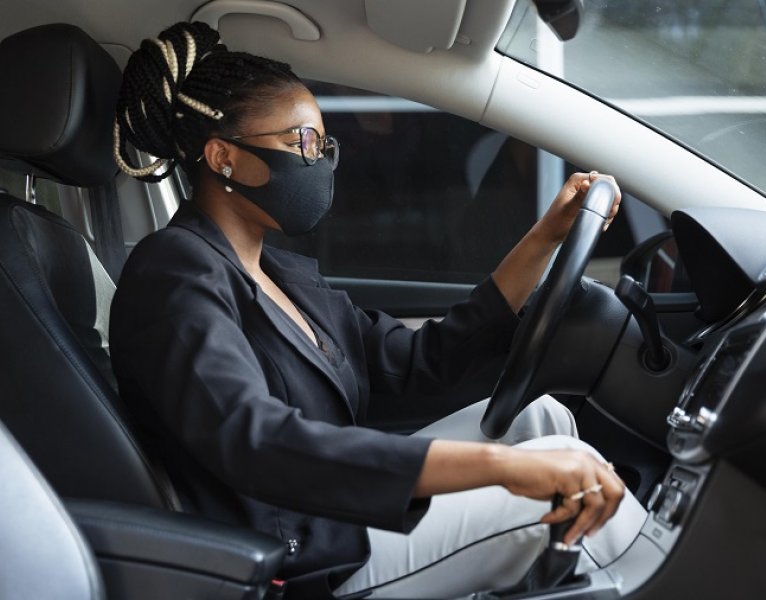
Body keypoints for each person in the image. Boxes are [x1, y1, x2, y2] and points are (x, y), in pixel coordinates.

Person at [109, 21, 645, 599]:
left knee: (542, 422)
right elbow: (254, 438)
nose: (320, 163)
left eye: (324, 146)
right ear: (224, 158)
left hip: (335, 513)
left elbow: (417, 363)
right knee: (568, 488)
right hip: (300, 554)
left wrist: (546, 236)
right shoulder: (174, 272)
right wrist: (506, 470)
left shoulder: (282, 273)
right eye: (302, 144)